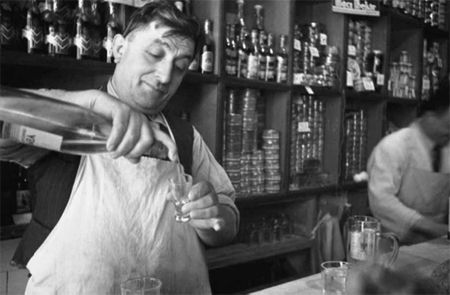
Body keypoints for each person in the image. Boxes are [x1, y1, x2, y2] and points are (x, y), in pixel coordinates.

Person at [0, 1, 239, 294]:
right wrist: (86, 105)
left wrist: (213, 216)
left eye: (179, 67)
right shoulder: (68, 120)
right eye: (154, 54)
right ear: (119, 48)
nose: (165, 77)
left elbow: (228, 217)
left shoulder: (185, 136)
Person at [367, 75, 449, 245]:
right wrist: (427, 226)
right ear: (430, 115)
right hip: (394, 245)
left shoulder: (446, 148)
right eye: (448, 125)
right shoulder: (393, 146)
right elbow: (382, 200)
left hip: (437, 244)